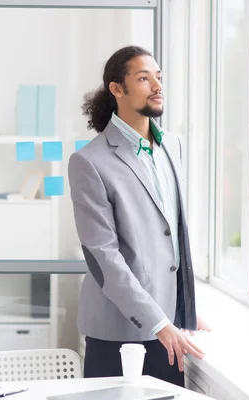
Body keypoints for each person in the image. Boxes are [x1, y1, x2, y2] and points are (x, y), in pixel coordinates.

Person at [67, 45, 211, 387]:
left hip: (169, 328)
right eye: (144, 78)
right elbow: (104, 257)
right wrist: (158, 321)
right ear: (117, 89)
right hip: (118, 332)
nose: (157, 86)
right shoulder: (89, 162)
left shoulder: (171, 146)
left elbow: (172, 234)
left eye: (159, 78)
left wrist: (185, 309)